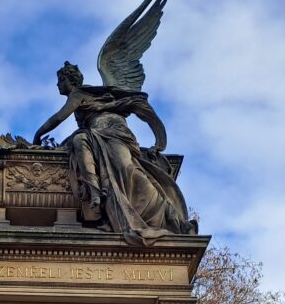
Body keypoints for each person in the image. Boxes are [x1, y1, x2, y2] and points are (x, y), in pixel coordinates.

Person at [33, 62, 195, 245]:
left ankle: (172, 221)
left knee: (128, 171)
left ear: (68, 80)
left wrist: (38, 134)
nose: (57, 85)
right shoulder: (89, 97)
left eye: (60, 80)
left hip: (114, 133)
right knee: (86, 144)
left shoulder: (78, 94)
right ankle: (96, 193)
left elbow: (58, 117)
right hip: (97, 135)